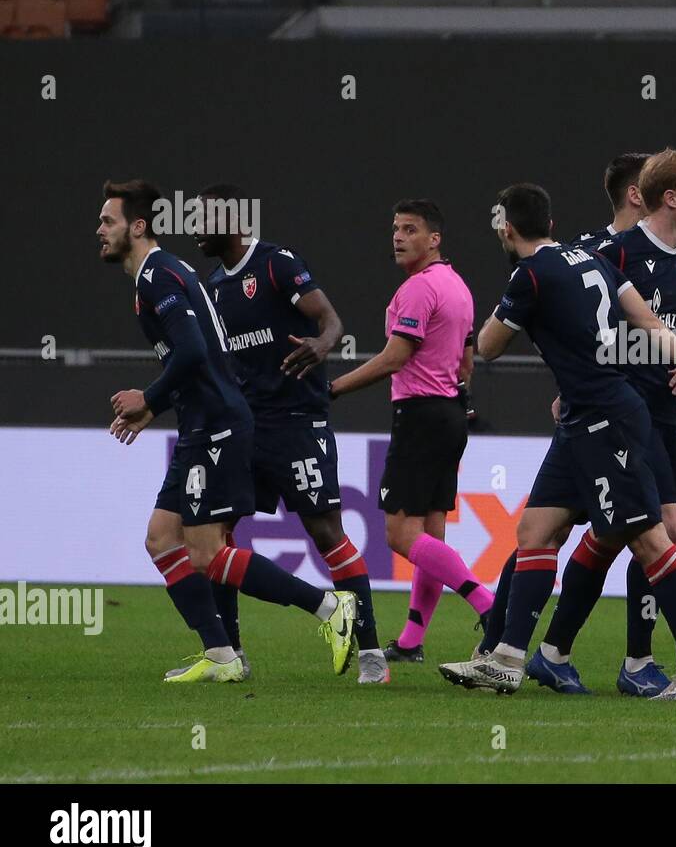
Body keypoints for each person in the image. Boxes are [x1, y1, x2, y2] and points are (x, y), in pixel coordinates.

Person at [438, 183, 676, 699]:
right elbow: (647, 320)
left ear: (507, 230)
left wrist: (498, 315)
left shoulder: (529, 276)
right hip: (587, 417)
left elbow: (487, 347)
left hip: (604, 418)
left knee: (650, 539)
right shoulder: (593, 262)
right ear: (550, 224)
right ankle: (507, 658)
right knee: (536, 529)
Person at [101, 179, 357, 682]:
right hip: (202, 422)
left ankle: (329, 609)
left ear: (137, 226)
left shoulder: (159, 275)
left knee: (205, 552)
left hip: (217, 427)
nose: (99, 231)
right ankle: (221, 654)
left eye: (107, 221)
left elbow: (195, 352)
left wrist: (148, 398)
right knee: (160, 540)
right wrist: (155, 410)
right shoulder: (160, 275)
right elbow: (199, 360)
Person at [195, 183, 387, 684]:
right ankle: (230, 654)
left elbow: (330, 319)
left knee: (326, 532)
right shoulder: (213, 285)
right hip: (244, 427)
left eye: (203, 218)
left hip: (298, 422)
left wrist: (324, 344)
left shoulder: (277, 263)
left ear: (232, 221)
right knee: (217, 537)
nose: (194, 228)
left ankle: (371, 656)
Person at [330, 199, 493, 652]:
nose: (398, 237)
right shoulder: (458, 286)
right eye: (396, 229)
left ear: (433, 239)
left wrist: (334, 388)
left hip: (420, 416)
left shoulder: (418, 290)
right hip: (449, 415)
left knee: (401, 535)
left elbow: (396, 356)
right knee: (431, 535)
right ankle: (411, 641)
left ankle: (487, 603)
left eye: (410, 229)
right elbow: (466, 361)